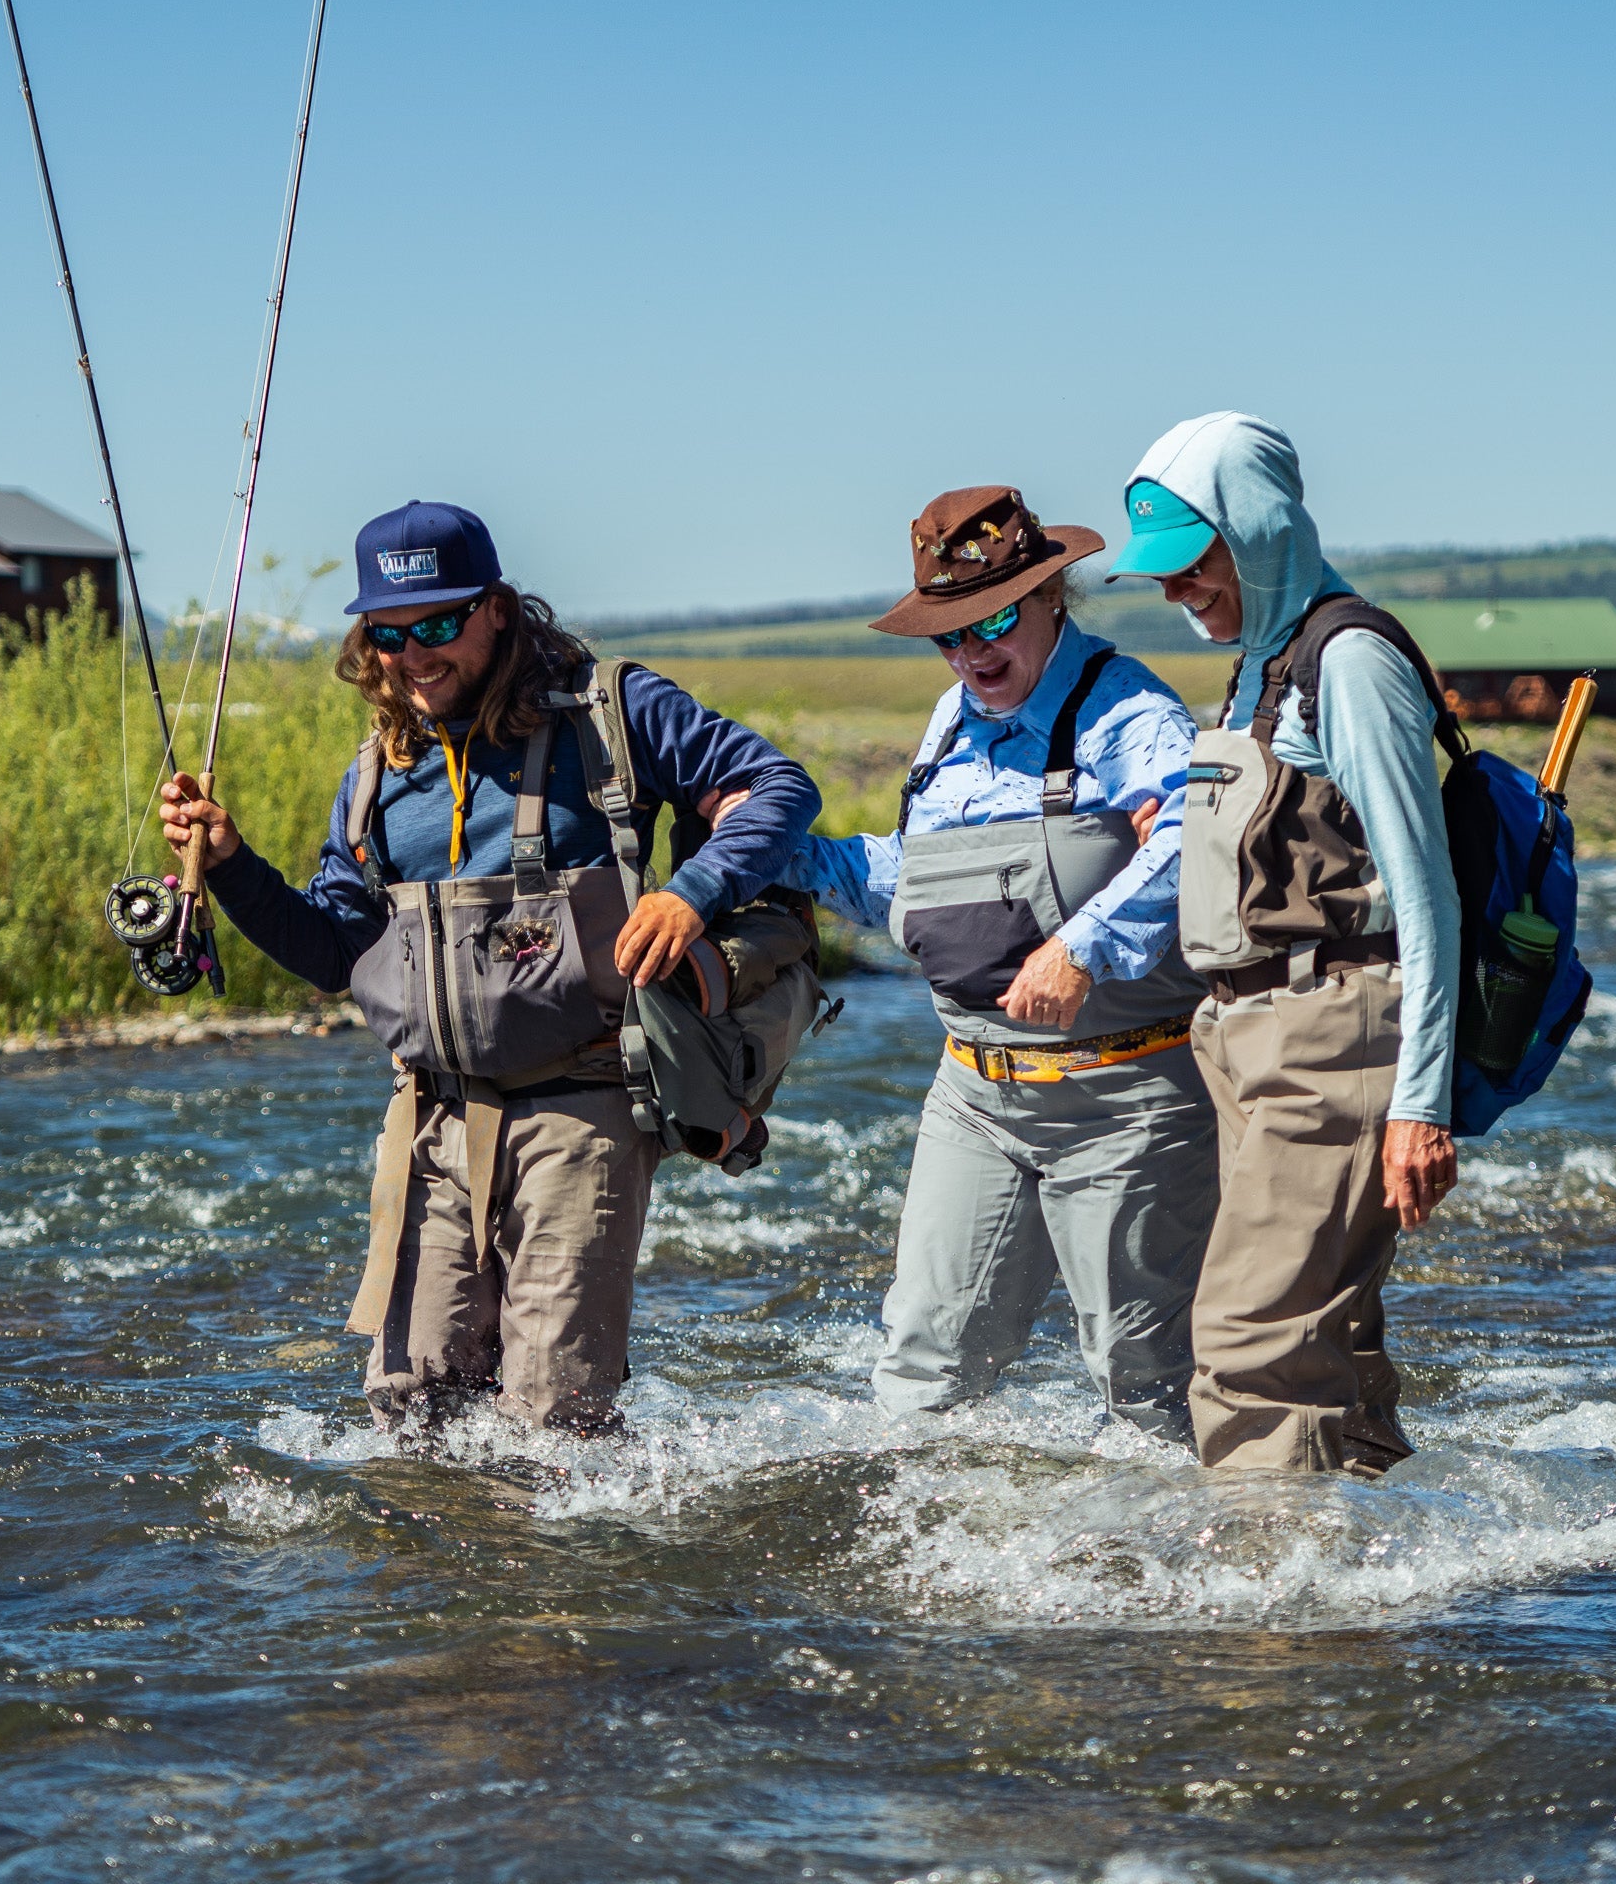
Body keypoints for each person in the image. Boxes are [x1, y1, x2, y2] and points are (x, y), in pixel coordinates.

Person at [159, 500, 819, 1435]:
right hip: (429, 1119)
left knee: (557, 1430)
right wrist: (230, 868)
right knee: (411, 1420)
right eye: (388, 633)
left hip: (585, 1108)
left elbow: (781, 788)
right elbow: (334, 952)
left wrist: (693, 892)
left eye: (438, 624)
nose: (414, 654)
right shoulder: (378, 772)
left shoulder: (612, 713)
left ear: (498, 609)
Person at [781, 485, 1218, 1439]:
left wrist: (1082, 945)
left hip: (1125, 1096)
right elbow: (915, 878)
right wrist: (795, 860)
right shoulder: (951, 721)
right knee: (921, 1373)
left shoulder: (1129, 710)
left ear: (1056, 594)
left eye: (997, 620)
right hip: (973, 1095)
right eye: (950, 634)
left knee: (1144, 1387)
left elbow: (1194, 835)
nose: (974, 652)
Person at [1108, 412, 1461, 1476]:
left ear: (1256, 529)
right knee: (1330, 1345)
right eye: (1161, 575)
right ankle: (1371, 1592)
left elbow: (1423, 891)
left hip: (1332, 1041)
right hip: (1249, 1039)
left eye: (1191, 563)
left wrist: (1420, 1100)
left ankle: (1264, 1615)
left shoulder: (1345, 660)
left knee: (1249, 1342)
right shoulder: (1262, 656)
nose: (1176, 591)